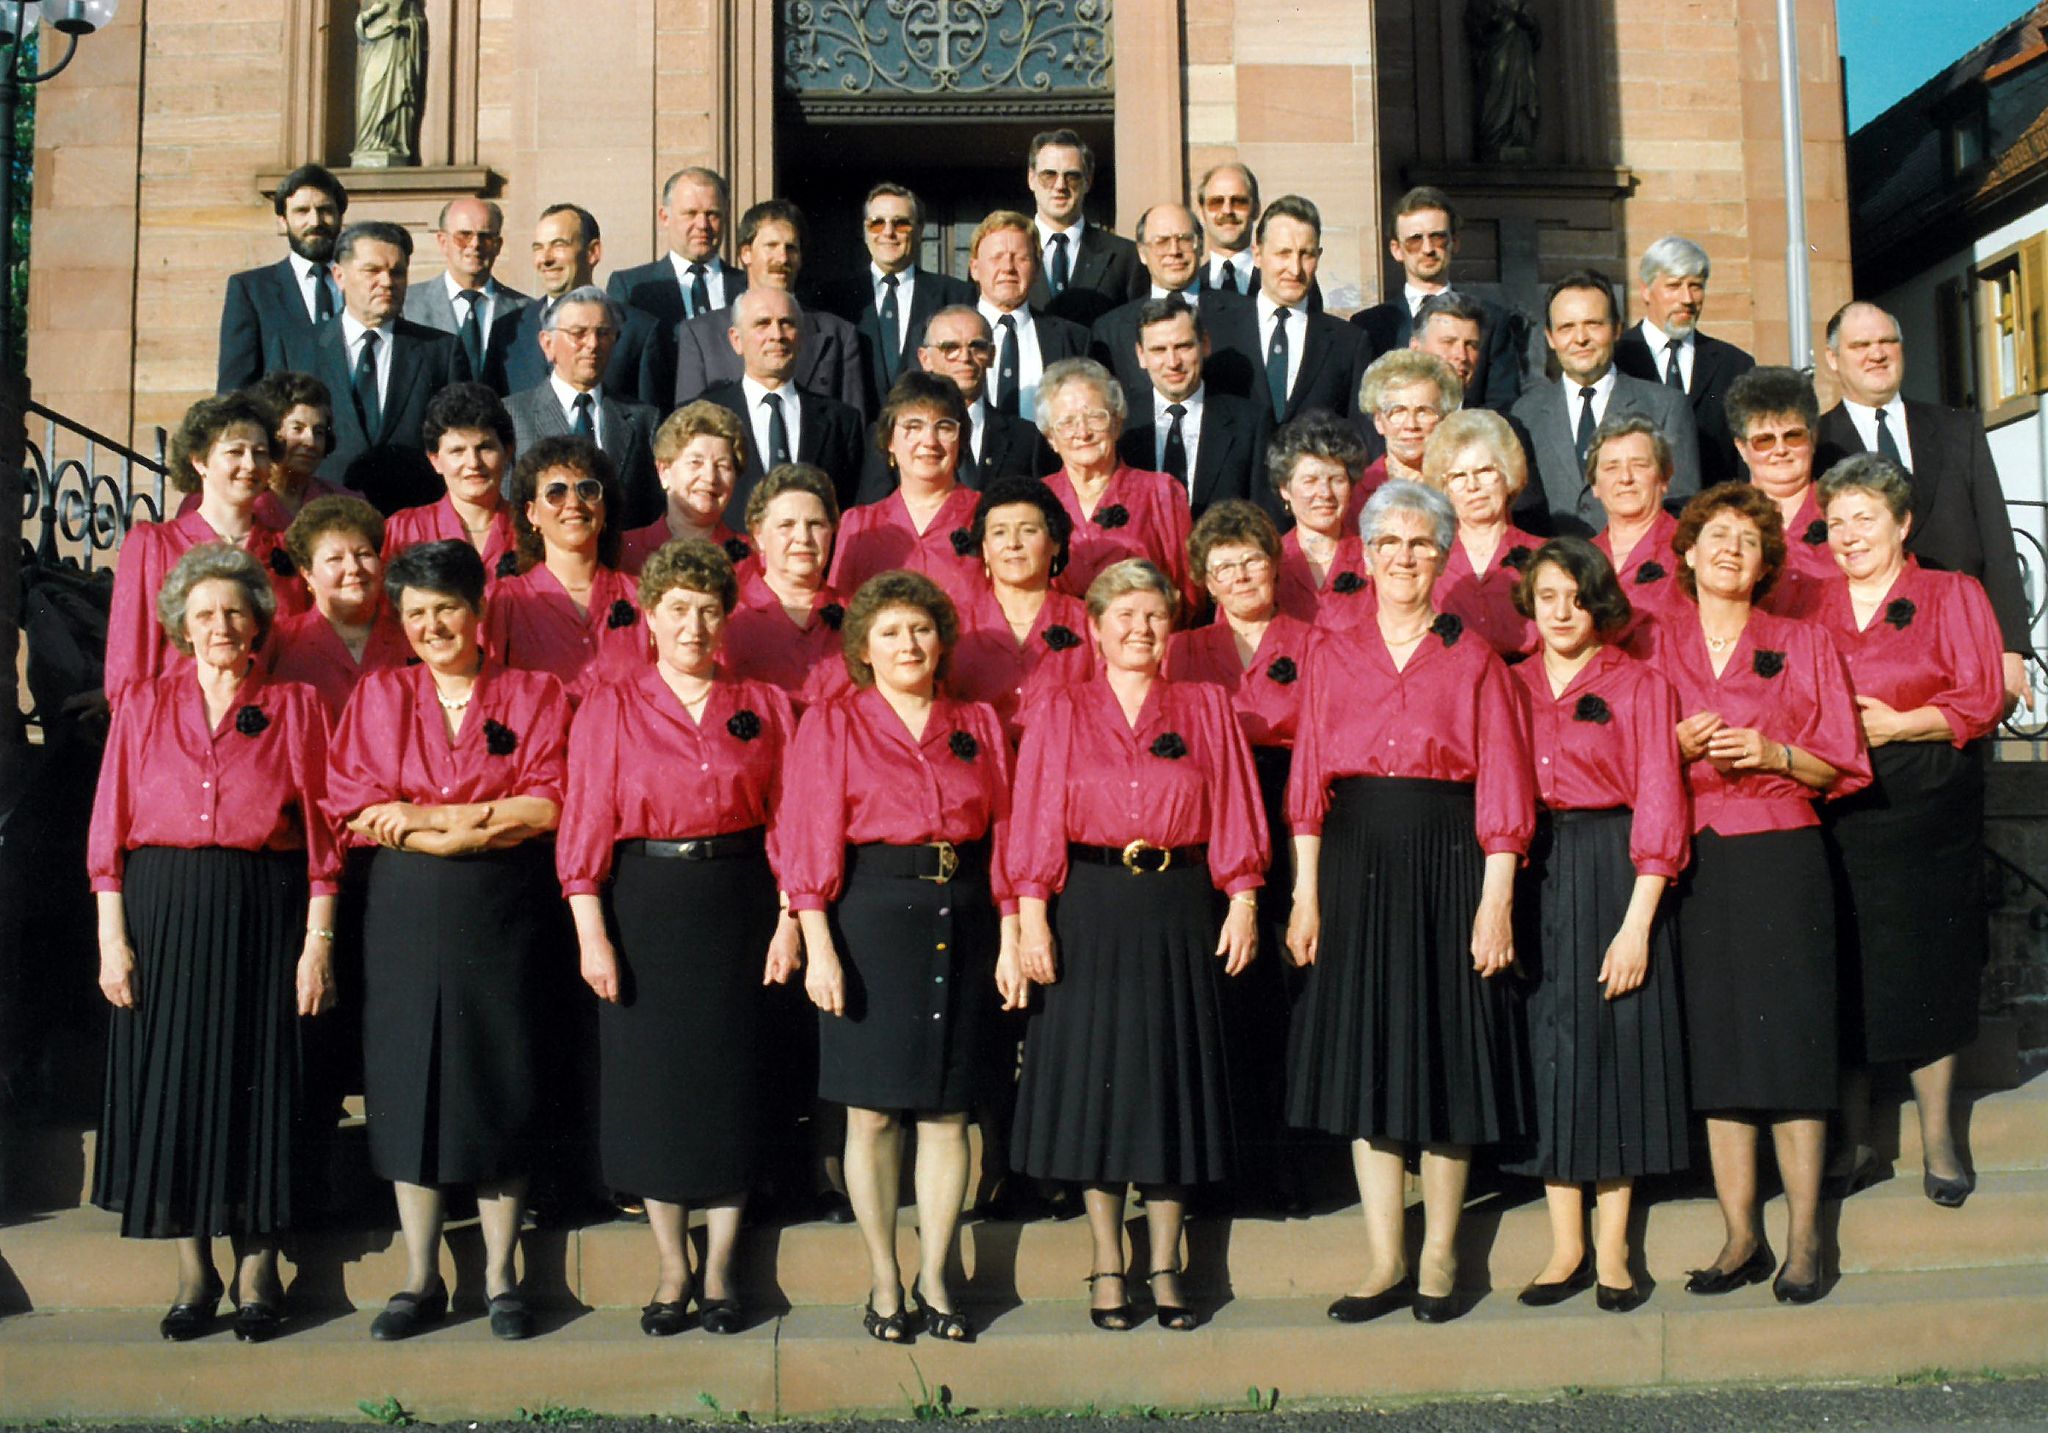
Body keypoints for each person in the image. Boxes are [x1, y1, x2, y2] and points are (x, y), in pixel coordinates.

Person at [1284, 479, 1533, 1326]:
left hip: (1448, 858)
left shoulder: (1474, 657)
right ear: (1367, 553)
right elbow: (1309, 777)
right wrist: (1305, 896)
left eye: (1421, 544)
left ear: (1441, 555)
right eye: (1387, 543)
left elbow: (1502, 780)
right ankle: (1386, 1254)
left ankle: (1439, 1254)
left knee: (1444, 1048)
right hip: (1354, 859)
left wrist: (1495, 900)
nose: (1402, 558)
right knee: (1368, 1051)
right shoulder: (1332, 649)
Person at [324, 539, 572, 1343]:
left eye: (446, 610)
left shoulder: (533, 692)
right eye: (417, 613)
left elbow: (550, 801)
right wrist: (456, 827)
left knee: (499, 1070)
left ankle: (501, 1276)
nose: (433, 625)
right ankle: (420, 1276)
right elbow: (356, 804)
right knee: (409, 1079)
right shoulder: (379, 695)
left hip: (503, 905)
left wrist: (434, 819)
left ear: (478, 613)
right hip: (403, 903)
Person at [1008, 559, 1266, 1332]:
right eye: (1123, 615)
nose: (1139, 629)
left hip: (1178, 905)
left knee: (1165, 1079)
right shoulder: (1060, 708)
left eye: (1154, 616)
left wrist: (1244, 898)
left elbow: (1236, 807)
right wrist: (1031, 915)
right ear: (1093, 628)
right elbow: (1033, 814)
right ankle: (1106, 1261)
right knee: (1097, 1083)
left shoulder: (1205, 705)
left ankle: (1165, 1260)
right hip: (1087, 905)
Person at [89, 543, 338, 1344]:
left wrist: (317, 942)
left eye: (234, 611)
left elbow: (323, 837)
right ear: (180, 627)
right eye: (203, 615)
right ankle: (195, 1270)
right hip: (162, 912)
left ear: (259, 622)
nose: (220, 626)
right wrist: (112, 941)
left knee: (260, 1078)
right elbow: (108, 834)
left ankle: (259, 1267)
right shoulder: (143, 707)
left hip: (264, 907)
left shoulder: (297, 705)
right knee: (177, 1084)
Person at [558, 539, 802, 1337]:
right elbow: (587, 818)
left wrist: (790, 919)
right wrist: (592, 933)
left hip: (738, 900)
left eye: (707, 609)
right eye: (677, 609)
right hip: (646, 904)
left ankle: (725, 1267)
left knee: (731, 1076)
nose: (693, 623)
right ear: (651, 620)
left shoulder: (764, 704)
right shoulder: (613, 704)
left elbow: (790, 821)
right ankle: (673, 1265)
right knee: (654, 1084)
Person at [1645, 482, 1869, 1306]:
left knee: (1791, 1045)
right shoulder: (1651, 640)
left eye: (1748, 539)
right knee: (1720, 1047)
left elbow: (1844, 763)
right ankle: (1741, 1232)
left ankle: (1808, 1237)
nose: (1731, 549)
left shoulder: (1802, 641)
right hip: (1693, 859)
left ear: (1766, 561)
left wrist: (1776, 752)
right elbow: (1625, 755)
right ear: (1690, 553)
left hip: (1780, 854)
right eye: (1716, 537)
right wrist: (1670, 742)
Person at [780, 571, 1016, 1344]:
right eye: (889, 632)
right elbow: (808, 837)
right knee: (874, 1111)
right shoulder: (833, 723)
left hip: (965, 912)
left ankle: (937, 1272)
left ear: (941, 639)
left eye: (920, 629)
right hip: (871, 919)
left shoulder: (976, 720)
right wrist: (819, 948)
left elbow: (1008, 830)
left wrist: (1013, 929)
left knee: (949, 1112)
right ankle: (884, 1277)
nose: (908, 644)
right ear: (863, 649)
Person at [1799, 456, 2006, 1209]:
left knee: (1928, 964)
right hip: (1838, 806)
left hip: (1926, 800)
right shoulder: (1812, 605)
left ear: (1902, 523)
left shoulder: (1949, 593)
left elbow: (1981, 695)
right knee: (1848, 962)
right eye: (1837, 522)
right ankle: (1855, 1140)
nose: (1849, 535)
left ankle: (1939, 1137)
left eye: (1865, 518)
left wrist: (1900, 722)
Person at [1503, 537, 1690, 1315]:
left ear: (1599, 603)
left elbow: (1659, 796)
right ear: (1532, 602)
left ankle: (1612, 1246)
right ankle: (1565, 1244)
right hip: (1531, 865)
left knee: (1614, 1041)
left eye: (1577, 597)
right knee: (1548, 1042)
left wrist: (1637, 921)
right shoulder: (1507, 686)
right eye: (1548, 596)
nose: (1562, 611)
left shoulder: (1640, 684)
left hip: (1614, 861)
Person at [1166, 500, 1320, 1214]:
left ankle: (1290, 1170)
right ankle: (1221, 1171)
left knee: (1290, 992)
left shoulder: (1317, 642)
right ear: (1204, 579)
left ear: (1274, 563)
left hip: (1296, 819)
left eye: (1251, 560)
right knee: (1223, 992)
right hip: (1214, 826)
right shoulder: (1184, 649)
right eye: (1221, 566)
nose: (1238, 575)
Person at [1816, 300, 2032, 703]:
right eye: (1860, 345)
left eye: (1887, 342)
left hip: (1959, 646)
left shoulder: (1958, 429)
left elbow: (1997, 543)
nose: (1876, 354)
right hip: (1861, 660)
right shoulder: (1817, 444)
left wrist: (2012, 648)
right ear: (1832, 358)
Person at [104, 394, 307, 705]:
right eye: (235, 452)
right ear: (199, 461)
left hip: (270, 728)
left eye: (260, 453)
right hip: (177, 725)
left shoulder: (286, 548)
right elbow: (129, 663)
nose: (250, 465)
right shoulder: (155, 545)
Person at [282, 220, 467, 514]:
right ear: (339, 276)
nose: (387, 281)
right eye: (372, 271)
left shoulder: (441, 351)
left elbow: (459, 437)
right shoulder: (297, 347)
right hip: (322, 516)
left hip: (413, 517)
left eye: (397, 272)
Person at [1508, 269, 1700, 537]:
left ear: (1617, 329)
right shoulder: (1525, 413)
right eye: (1567, 327)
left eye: (1593, 324)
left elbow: (1682, 505)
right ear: (1550, 338)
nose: (1580, 338)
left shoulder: (1666, 406)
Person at [485, 436, 645, 707]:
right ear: (532, 513)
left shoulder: (642, 596)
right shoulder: (504, 602)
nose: (573, 503)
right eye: (556, 493)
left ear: (604, 508)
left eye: (588, 490)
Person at [671, 199, 865, 413]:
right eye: (771, 246)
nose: (782, 258)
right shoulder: (701, 334)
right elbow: (686, 427)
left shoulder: (838, 334)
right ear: (746, 253)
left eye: (791, 248)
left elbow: (851, 429)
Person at [697, 286, 868, 519]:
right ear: (736, 340)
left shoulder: (841, 421)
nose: (777, 335)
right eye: (763, 324)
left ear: (801, 338)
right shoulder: (704, 415)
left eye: (787, 323)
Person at [1037, 357, 1194, 605]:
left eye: (1096, 417)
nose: (1083, 432)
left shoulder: (1161, 492)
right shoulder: (1035, 500)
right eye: (1067, 422)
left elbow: (1188, 591)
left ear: (1117, 423)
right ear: (1051, 439)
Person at [1351, 187, 1523, 412]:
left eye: (1438, 237)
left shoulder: (1492, 320)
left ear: (1455, 243)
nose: (1428, 249)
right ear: (1396, 250)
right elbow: (1363, 409)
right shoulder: (1369, 326)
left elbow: (1503, 404)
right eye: (1414, 240)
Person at [948, 477, 1094, 743]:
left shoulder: (1090, 623)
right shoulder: (953, 625)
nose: (1013, 543)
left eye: (1028, 530)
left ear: (1055, 543)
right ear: (985, 548)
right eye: (999, 532)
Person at [505, 285, 663, 526]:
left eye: (603, 333)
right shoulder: (513, 415)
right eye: (578, 333)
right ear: (547, 344)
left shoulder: (643, 420)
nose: (592, 344)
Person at [1206, 196, 1367, 427]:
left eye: (1306, 254)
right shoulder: (1218, 334)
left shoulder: (1349, 343)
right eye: (1283, 253)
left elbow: (1359, 434)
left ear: (1319, 257)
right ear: (1258, 255)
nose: (1295, 269)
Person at [830, 372, 983, 607]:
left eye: (944, 427)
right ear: (890, 440)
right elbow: (841, 618)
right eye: (914, 427)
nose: (930, 441)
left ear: (960, 439)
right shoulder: (859, 526)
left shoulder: (987, 516)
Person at [1090, 204, 1259, 413]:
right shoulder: (1110, 330)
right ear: (1142, 253)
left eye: (1185, 239)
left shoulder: (1248, 315)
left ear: (1201, 245)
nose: (1174, 251)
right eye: (1161, 242)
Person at [1113, 295, 1271, 519]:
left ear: (1205, 345)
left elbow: (1263, 515)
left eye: (1183, 346)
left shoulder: (1250, 424)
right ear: (1141, 355)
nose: (1173, 362)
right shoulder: (1120, 423)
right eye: (1159, 350)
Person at [1614, 236, 1754, 487]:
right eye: (1674, 286)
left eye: (1696, 286)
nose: (1687, 299)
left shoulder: (1735, 366)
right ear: (1645, 290)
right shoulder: (1616, 360)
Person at [830, 182, 976, 416]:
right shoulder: (835, 300)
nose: (888, 232)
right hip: (857, 443)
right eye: (877, 224)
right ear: (865, 231)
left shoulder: (955, 296)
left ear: (919, 230)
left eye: (901, 223)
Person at [504, 203, 671, 407]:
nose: (546, 259)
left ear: (592, 252)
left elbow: (649, 422)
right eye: (538, 248)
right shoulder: (508, 331)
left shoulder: (637, 331)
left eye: (558, 245)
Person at [721, 463, 853, 710]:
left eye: (815, 524)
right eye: (786, 525)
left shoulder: (859, 616)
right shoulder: (728, 616)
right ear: (758, 535)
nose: (803, 537)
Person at [270, 495, 411, 720]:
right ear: (307, 574)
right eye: (335, 559)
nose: (353, 568)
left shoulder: (412, 636)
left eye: (363, 555)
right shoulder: (280, 642)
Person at [1419, 408, 1542, 658]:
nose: (1473, 486)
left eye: (1485, 471)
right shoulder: (1426, 559)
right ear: (1444, 488)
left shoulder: (1546, 556)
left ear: (1507, 475)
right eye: (1458, 476)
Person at [893, 304, 1053, 494]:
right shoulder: (898, 434)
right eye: (950, 347)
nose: (965, 357)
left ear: (991, 355)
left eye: (977, 347)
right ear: (925, 358)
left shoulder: (1028, 439)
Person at [217, 163, 347, 391]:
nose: (315, 222)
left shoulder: (362, 284)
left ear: (340, 216)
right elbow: (235, 388)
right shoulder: (252, 290)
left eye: (325, 210)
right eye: (302, 211)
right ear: (282, 221)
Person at [381, 382, 520, 576]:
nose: (473, 463)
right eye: (457, 451)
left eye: (485, 447)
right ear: (435, 460)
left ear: (508, 452)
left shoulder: (532, 528)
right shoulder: (403, 530)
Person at [972, 209, 1093, 423]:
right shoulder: (942, 335)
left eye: (1021, 258)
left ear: (1037, 269)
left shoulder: (1073, 339)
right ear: (974, 268)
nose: (1008, 268)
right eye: (996, 257)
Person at [1022, 127, 1145, 326]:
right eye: (1049, 175)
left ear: (1088, 181)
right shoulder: (1003, 255)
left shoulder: (1125, 257)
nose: (1060, 186)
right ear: (1031, 178)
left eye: (1072, 176)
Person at [1726, 366, 1835, 588]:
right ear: (1742, 448)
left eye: (1793, 436)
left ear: (1813, 438)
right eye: (1764, 440)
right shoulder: (1722, 518)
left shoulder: (1841, 512)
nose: (1780, 450)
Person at [401, 197, 532, 381]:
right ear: (442, 241)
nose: (475, 244)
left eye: (485, 237)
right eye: (464, 236)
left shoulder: (528, 311)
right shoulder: (407, 304)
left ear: (498, 245)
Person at [621, 400, 753, 575]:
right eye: (695, 463)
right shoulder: (625, 551)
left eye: (722, 466)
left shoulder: (753, 556)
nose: (710, 477)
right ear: (664, 472)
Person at [1587, 416, 1687, 644]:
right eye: (1611, 467)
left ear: (1664, 477)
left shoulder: (1691, 548)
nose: (1625, 478)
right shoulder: (1578, 559)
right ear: (1595, 485)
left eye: (1639, 465)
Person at [1268, 413, 1373, 626]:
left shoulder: (1375, 560)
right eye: (1310, 481)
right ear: (1284, 489)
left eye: (1337, 480)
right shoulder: (1265, 563)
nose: (1325, 493)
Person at [607, 166, 737, 328]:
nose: (703, 225)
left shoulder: (747, 285)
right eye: (690, 213)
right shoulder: (632, 288)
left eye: (712, 214)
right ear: (664, 217)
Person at [1356, 349, 1460, 498]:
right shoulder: (1356, 492)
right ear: (1378, 421)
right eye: (1398, 411)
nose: (1411, 425)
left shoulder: (1461, 486)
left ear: (1444, 418)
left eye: (1424, 411)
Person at [246, 370, 343, 524]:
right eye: (297, 429)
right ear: (269, 431)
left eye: (319, 432)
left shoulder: (342, 505)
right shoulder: (243, 503)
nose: (310, 442)